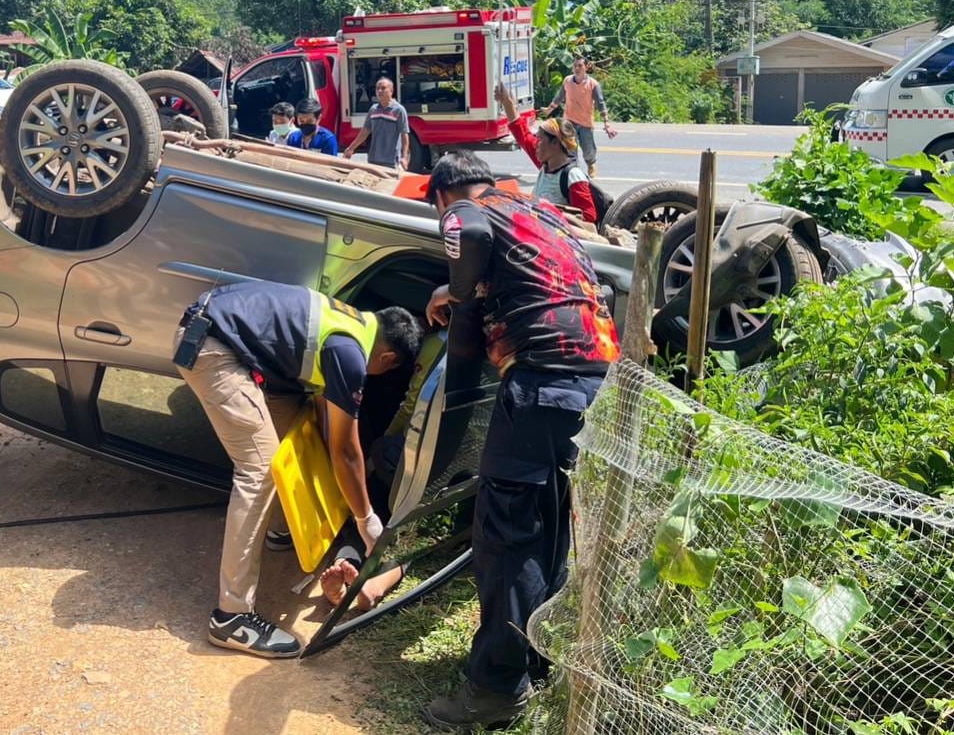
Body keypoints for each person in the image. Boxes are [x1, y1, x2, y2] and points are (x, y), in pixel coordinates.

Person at [420, 151, 620, 730]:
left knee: (507, 538)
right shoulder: (542, 213)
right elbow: (598, 284)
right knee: (550, 529)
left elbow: (467, 226)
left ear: (442, 194)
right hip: (595, 381)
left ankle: (496, 691)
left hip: (541, 382)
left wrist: (457, 295)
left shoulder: (469, 212)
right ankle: (538, 657)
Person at [173, 280, 423, 658]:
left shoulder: (348, 321)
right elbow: (347, 450)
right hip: (213, 348)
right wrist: (365, 519)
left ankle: (277, 530)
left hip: (229, 341)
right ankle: (232, 616)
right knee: (258, 471)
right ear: (388, 359)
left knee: (288, 426)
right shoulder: (351, 352)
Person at [496, 84, 597, 226]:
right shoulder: (547, 164)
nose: (536, 143)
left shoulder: (572, 176)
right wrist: (506, 101)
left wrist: (551, 214)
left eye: (540, 139)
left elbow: (588, 217)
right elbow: (522, 133)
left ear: (555, 143)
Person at [542, 57, 617, 178]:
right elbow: (559, 97)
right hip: (569, 122)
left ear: (586, 67)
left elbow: (600, 103)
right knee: (571, 149)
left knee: (588, 150)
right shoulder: (567, 81)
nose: (576, 68)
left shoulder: (593, 84)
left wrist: (606, 123)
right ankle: (573, 170)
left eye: (580, 66)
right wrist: (549, 109)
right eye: (575, 66)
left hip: (585, 123)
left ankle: (591, 164)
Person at [343, 77, 409, 169]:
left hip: (391, 161)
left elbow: (404, 134)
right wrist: (351, 148)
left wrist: (404, 157)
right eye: (377, 88)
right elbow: (364, 132)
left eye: (383, 88)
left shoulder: (399, 110)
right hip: (373, 160)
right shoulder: (373, 109)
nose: (379, 91)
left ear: (391, 90)